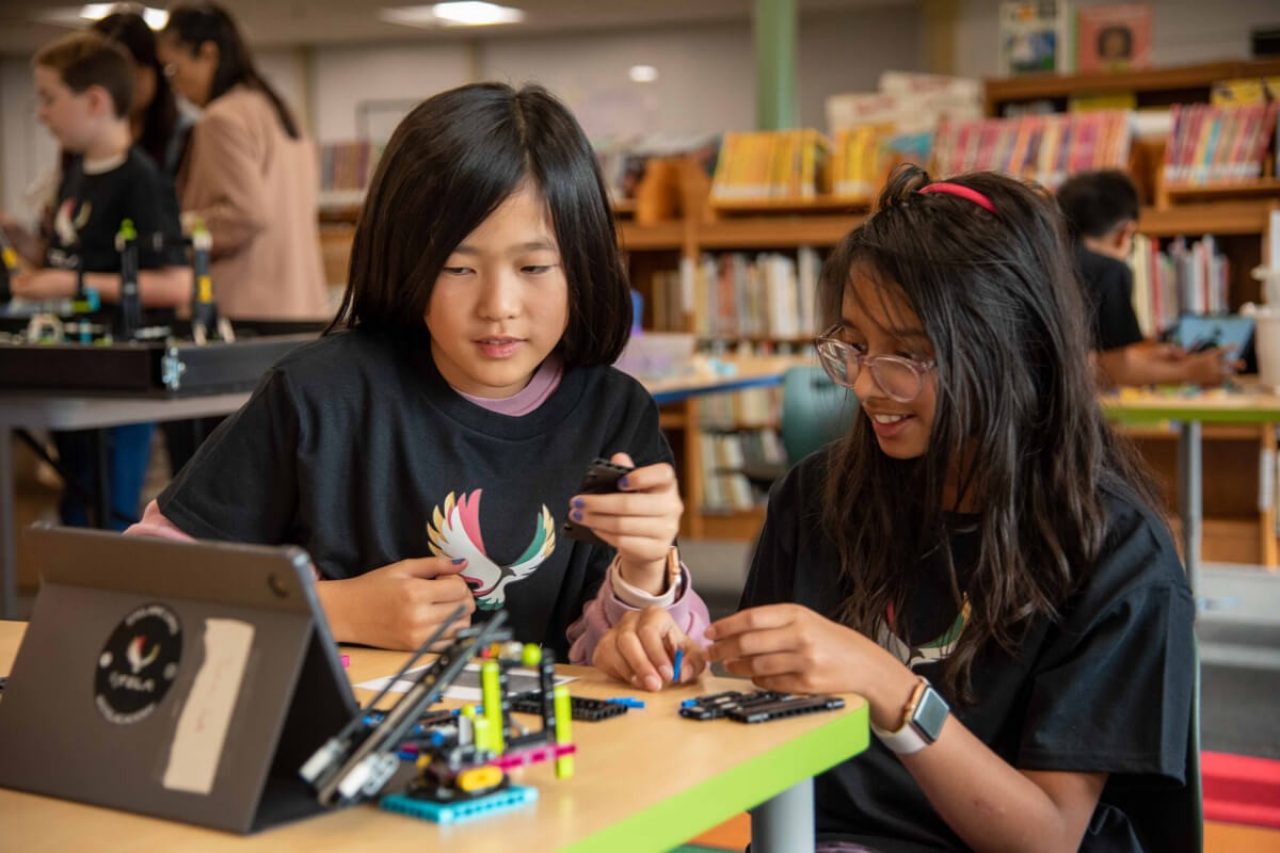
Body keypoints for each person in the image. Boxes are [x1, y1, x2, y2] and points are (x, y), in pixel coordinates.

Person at [593, 167, 1195, 850]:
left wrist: (893, 690)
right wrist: (669, 661)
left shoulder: (1112, 549)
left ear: (1015, 348)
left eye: (909, 353)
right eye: (855, 344)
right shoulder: (815, 498)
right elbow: (752, 715)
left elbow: (1047, 835)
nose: (869, 383)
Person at [126, 82, 711, 663]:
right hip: (345, 746)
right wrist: (334, 609)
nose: (498, 305)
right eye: (458, 268)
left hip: (548, 751)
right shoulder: (321, 395)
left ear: (581, 264)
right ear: (406, 262)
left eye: (534, 266)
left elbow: (615, 656)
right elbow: (143, 579)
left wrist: (645, 572)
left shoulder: (614, 414)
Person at [13, 32, 189, 530]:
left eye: (49, 98)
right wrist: (25, 246)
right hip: (72, 367)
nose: (41, 113)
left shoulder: (142, 180)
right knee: (74, 507)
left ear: (94, 100)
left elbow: (175, 286)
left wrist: (69, 285)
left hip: (120, 377)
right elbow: (67, 258)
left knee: (110, 513)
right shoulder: (75, 175)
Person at [158, 2, 329, 321]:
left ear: (208, 54)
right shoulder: (280, 112)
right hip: (302, 302)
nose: (175, 86)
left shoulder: (220, 118)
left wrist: (176, 227)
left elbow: (246, 215)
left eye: (174, 69)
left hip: (246, 306)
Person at [1057, 169, 1231, 388]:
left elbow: (1091, 360)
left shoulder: (1048, 263)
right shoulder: (1110, 271)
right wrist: (1191, 370)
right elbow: (1117, 371)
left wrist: (1149, 359)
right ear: (1125, 233)